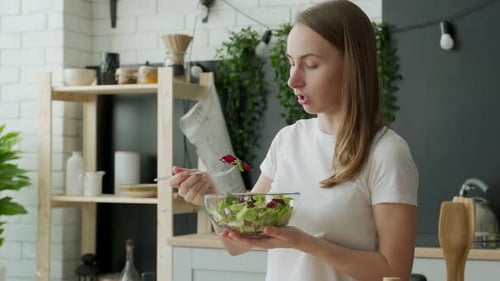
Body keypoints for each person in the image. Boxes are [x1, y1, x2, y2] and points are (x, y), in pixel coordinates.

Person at [170, 1, 418, 280]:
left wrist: (303, 242)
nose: (293, 80)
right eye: (291, 62)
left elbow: (394, 269)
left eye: (310, 64)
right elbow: (236, 243)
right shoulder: (288, 141)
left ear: (353, 65)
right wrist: (210, 197)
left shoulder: (386, 153)